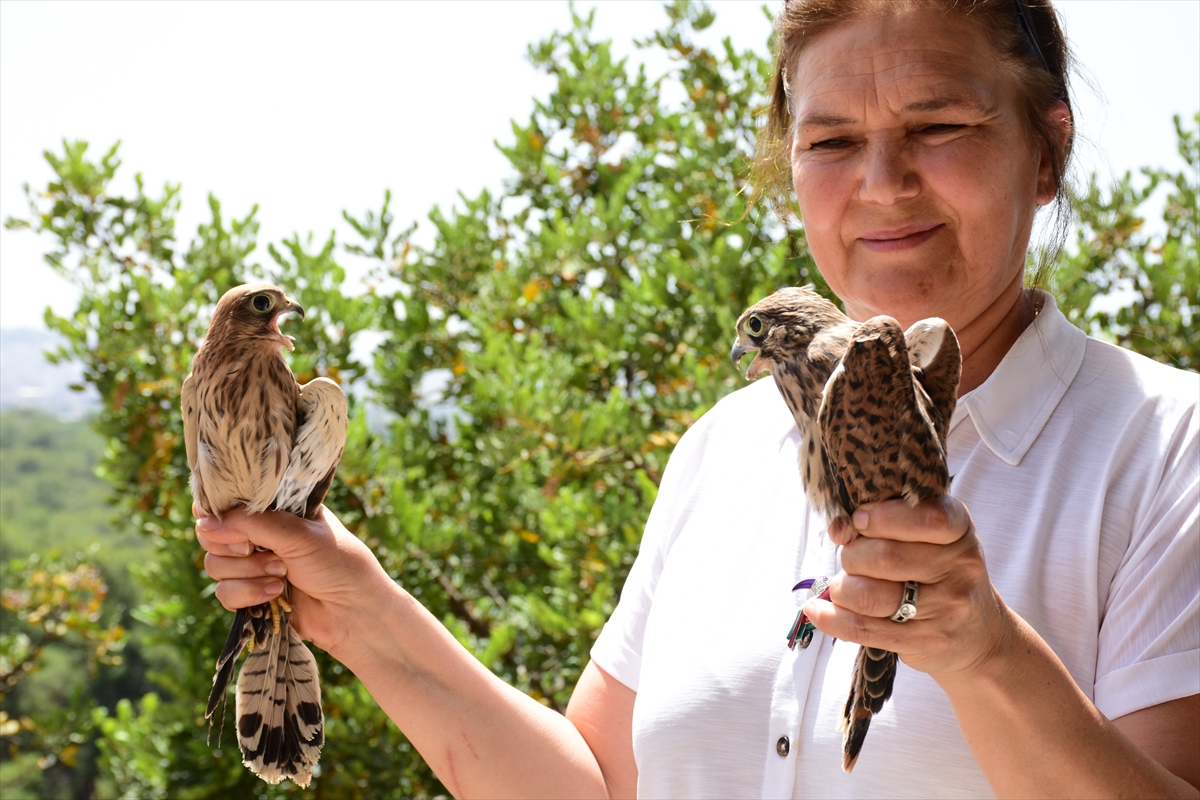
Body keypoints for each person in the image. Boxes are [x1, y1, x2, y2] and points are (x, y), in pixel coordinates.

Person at [195, 0, 1199, 796]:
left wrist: (987, 656)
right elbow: (592, 787)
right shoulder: (724, 449)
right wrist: (354, 604)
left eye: (937, 126)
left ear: (1046, 151)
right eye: (831, 142)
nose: (884, 182)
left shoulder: (1165, 453)